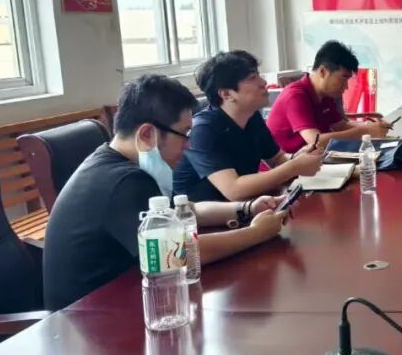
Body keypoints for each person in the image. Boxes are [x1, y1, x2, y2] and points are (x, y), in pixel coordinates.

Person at [44, 74, 289, 310]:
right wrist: (257, 233)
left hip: (120, 299)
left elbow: (185, 209)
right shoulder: (124, 182)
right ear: (147, 134)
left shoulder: (117, 163)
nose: (188, 145)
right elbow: (181, 253)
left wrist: (246, 208)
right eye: (184, 134)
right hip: (90, 318)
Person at [173, 50, 322, 202]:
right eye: (252, 78)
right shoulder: (202, 130)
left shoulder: (251, 116)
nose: (263, 83)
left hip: (246, 206)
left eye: (258, 75)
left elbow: (277, 159)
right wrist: (294, 166)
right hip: (202, 214)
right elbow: (233, 190)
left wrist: (298, 158)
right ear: (226, 94)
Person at [266, 40, 392, 154]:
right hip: (285, 167)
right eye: (344, 78)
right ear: (323, 72)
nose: (346, 87)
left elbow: (341, 126)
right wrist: (365, 131)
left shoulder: (326, 95)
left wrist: (371, 127)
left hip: (311, 160)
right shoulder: (295, 96)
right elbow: (316, 141)